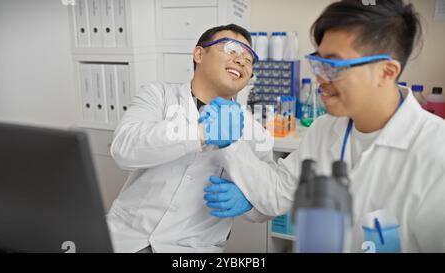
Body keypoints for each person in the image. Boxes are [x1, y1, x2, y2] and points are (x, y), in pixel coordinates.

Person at [203, 0, 445, 252]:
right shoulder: (325, 129)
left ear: (387, 71)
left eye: (333, 66)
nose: (319, 78)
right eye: (318, 63)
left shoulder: (436, 153)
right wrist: (230, 144)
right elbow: (278, 192)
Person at [106, 24, 273, 253]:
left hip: (193, 250)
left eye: (249, 58)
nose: (241, 60)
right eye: (232, 49)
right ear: (199, 54)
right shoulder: (158, 95)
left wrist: (250, 202)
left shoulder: (254, 131)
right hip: (124, 238)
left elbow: (271, 196)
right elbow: (124, 150)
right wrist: (200, 133)